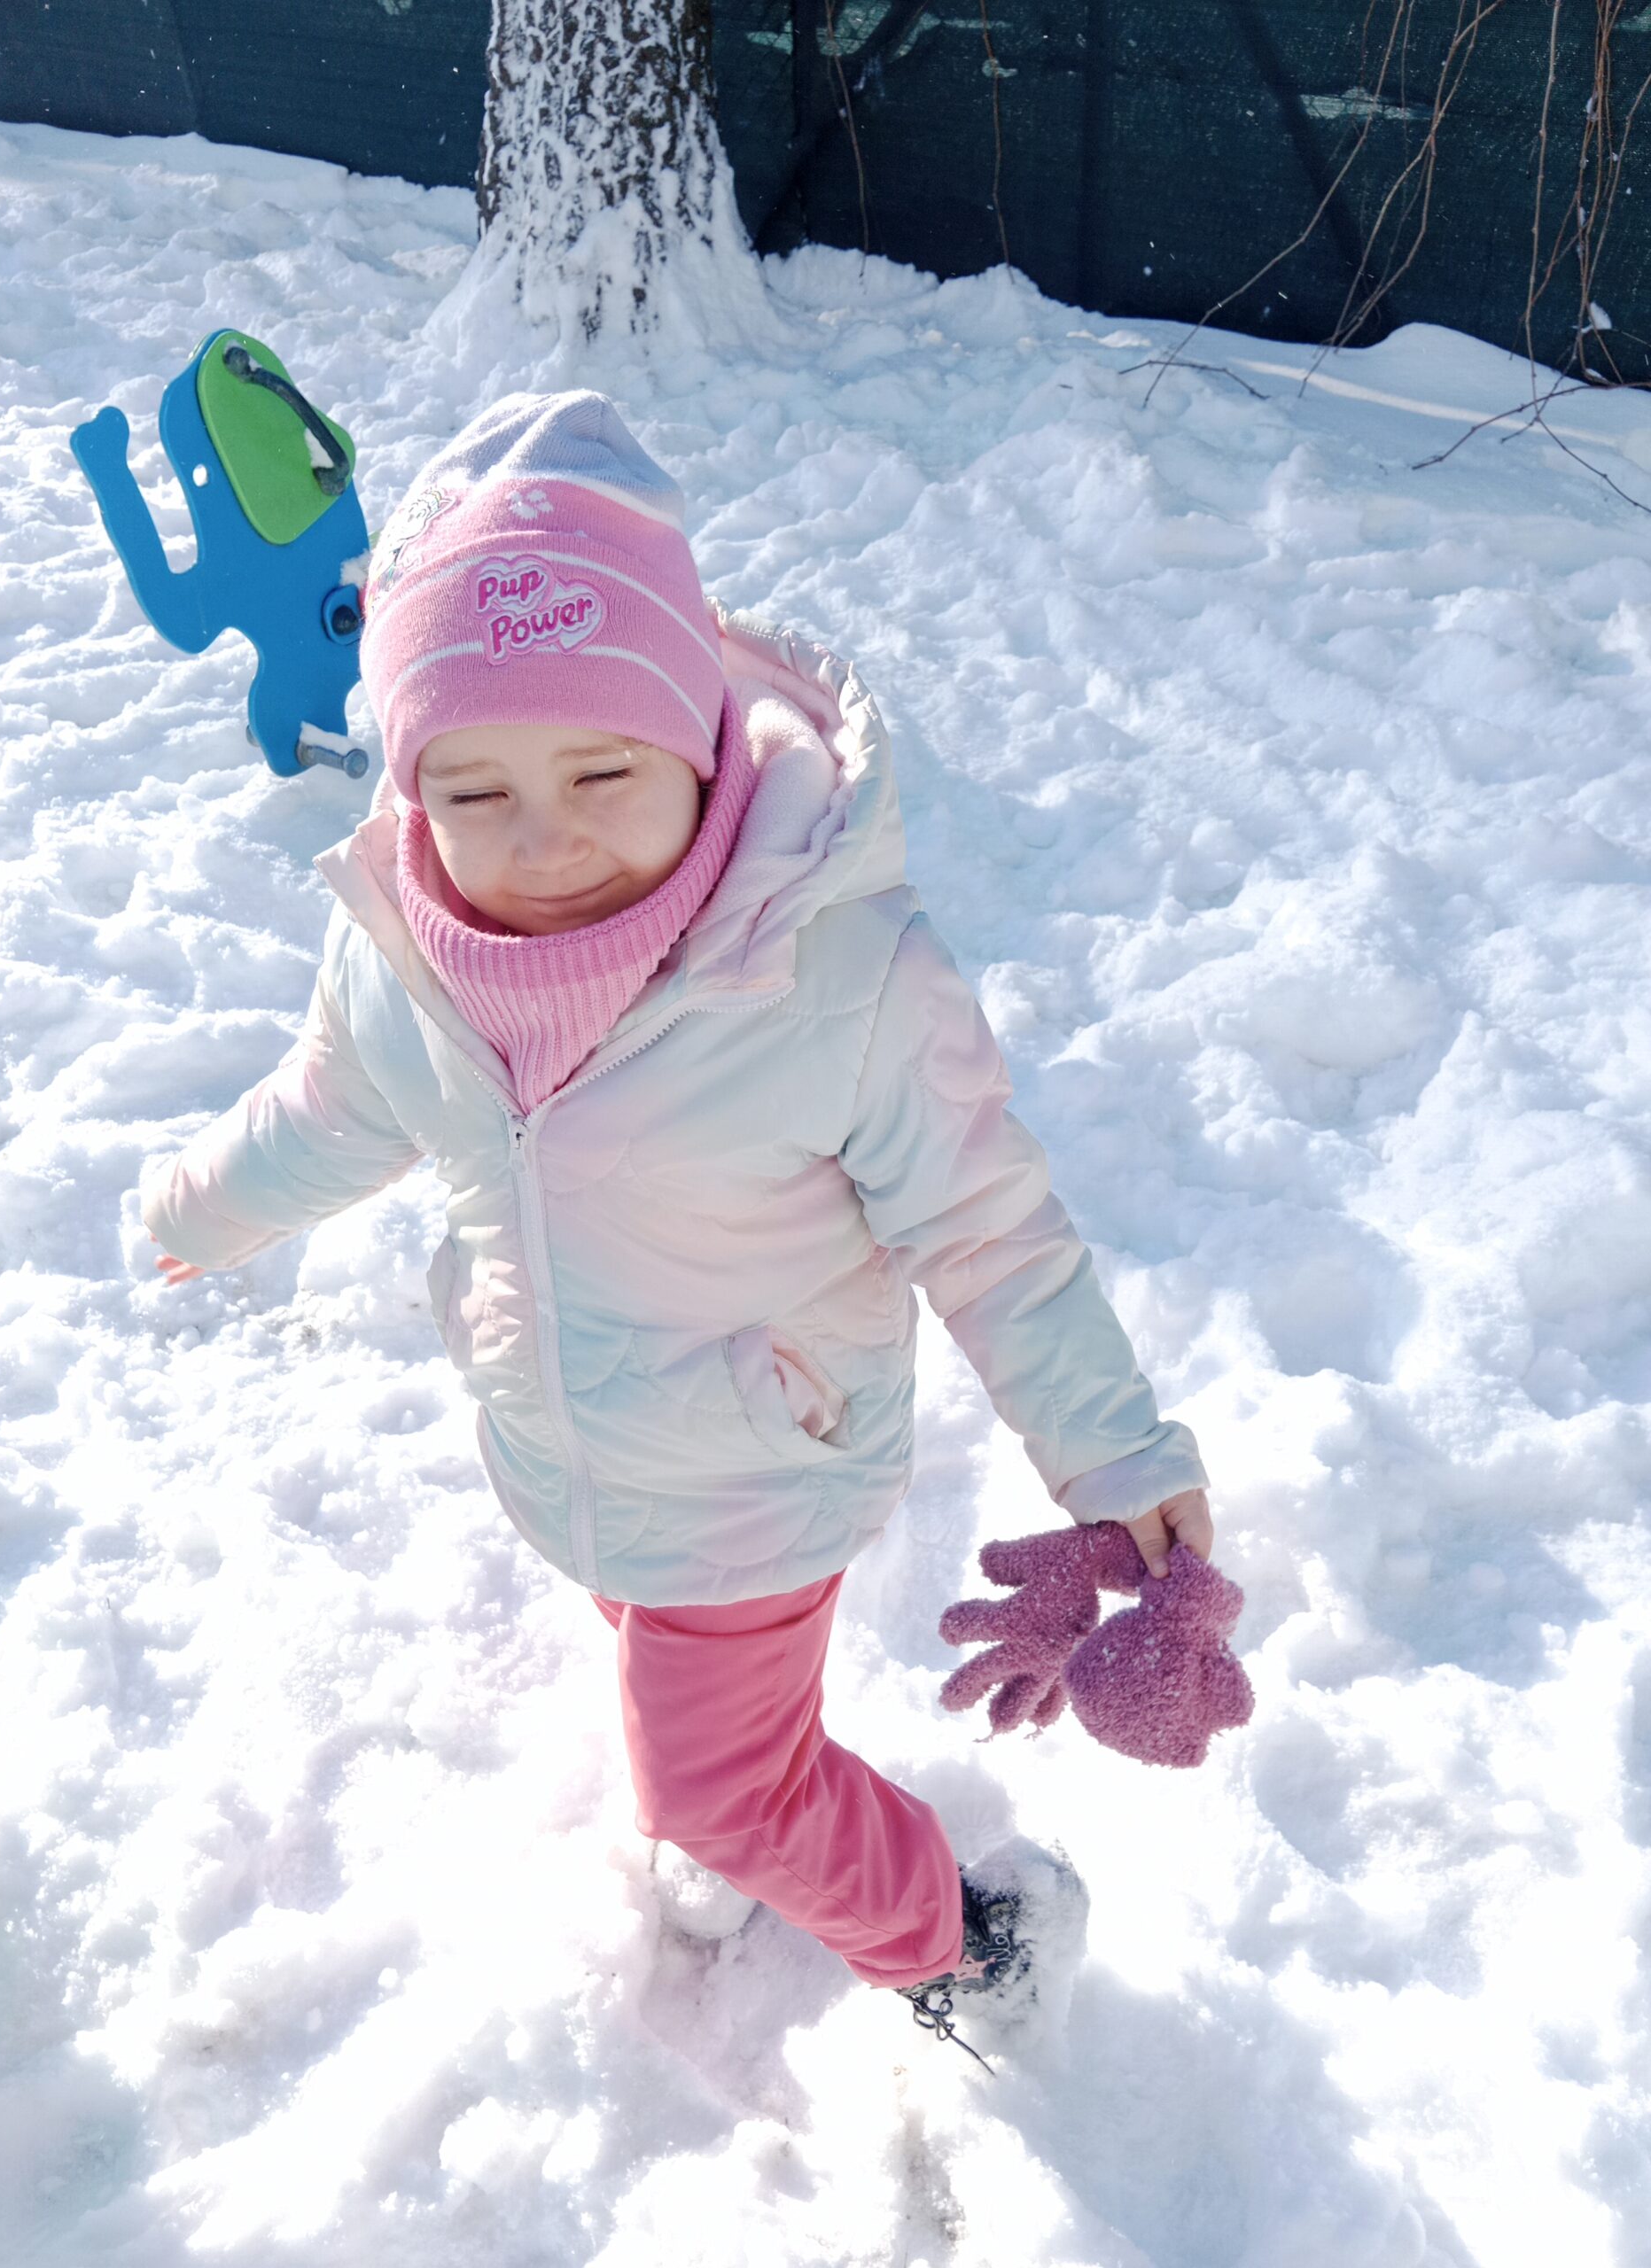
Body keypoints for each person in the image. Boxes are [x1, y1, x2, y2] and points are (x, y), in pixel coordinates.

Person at [141, 389, 1213, 2035]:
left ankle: (963, 1942)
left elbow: (990, 1229)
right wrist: (201, 1207)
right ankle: (738, 1785)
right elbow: (334, 1106)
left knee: (717, 1790)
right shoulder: (406, 952)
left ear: (701, 742)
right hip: (576, 1451)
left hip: (754, 1476)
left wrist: (1117, 1458)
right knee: (678, 1686)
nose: (545, 836)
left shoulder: (829, 972)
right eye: (474, 791)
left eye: (601, 767)